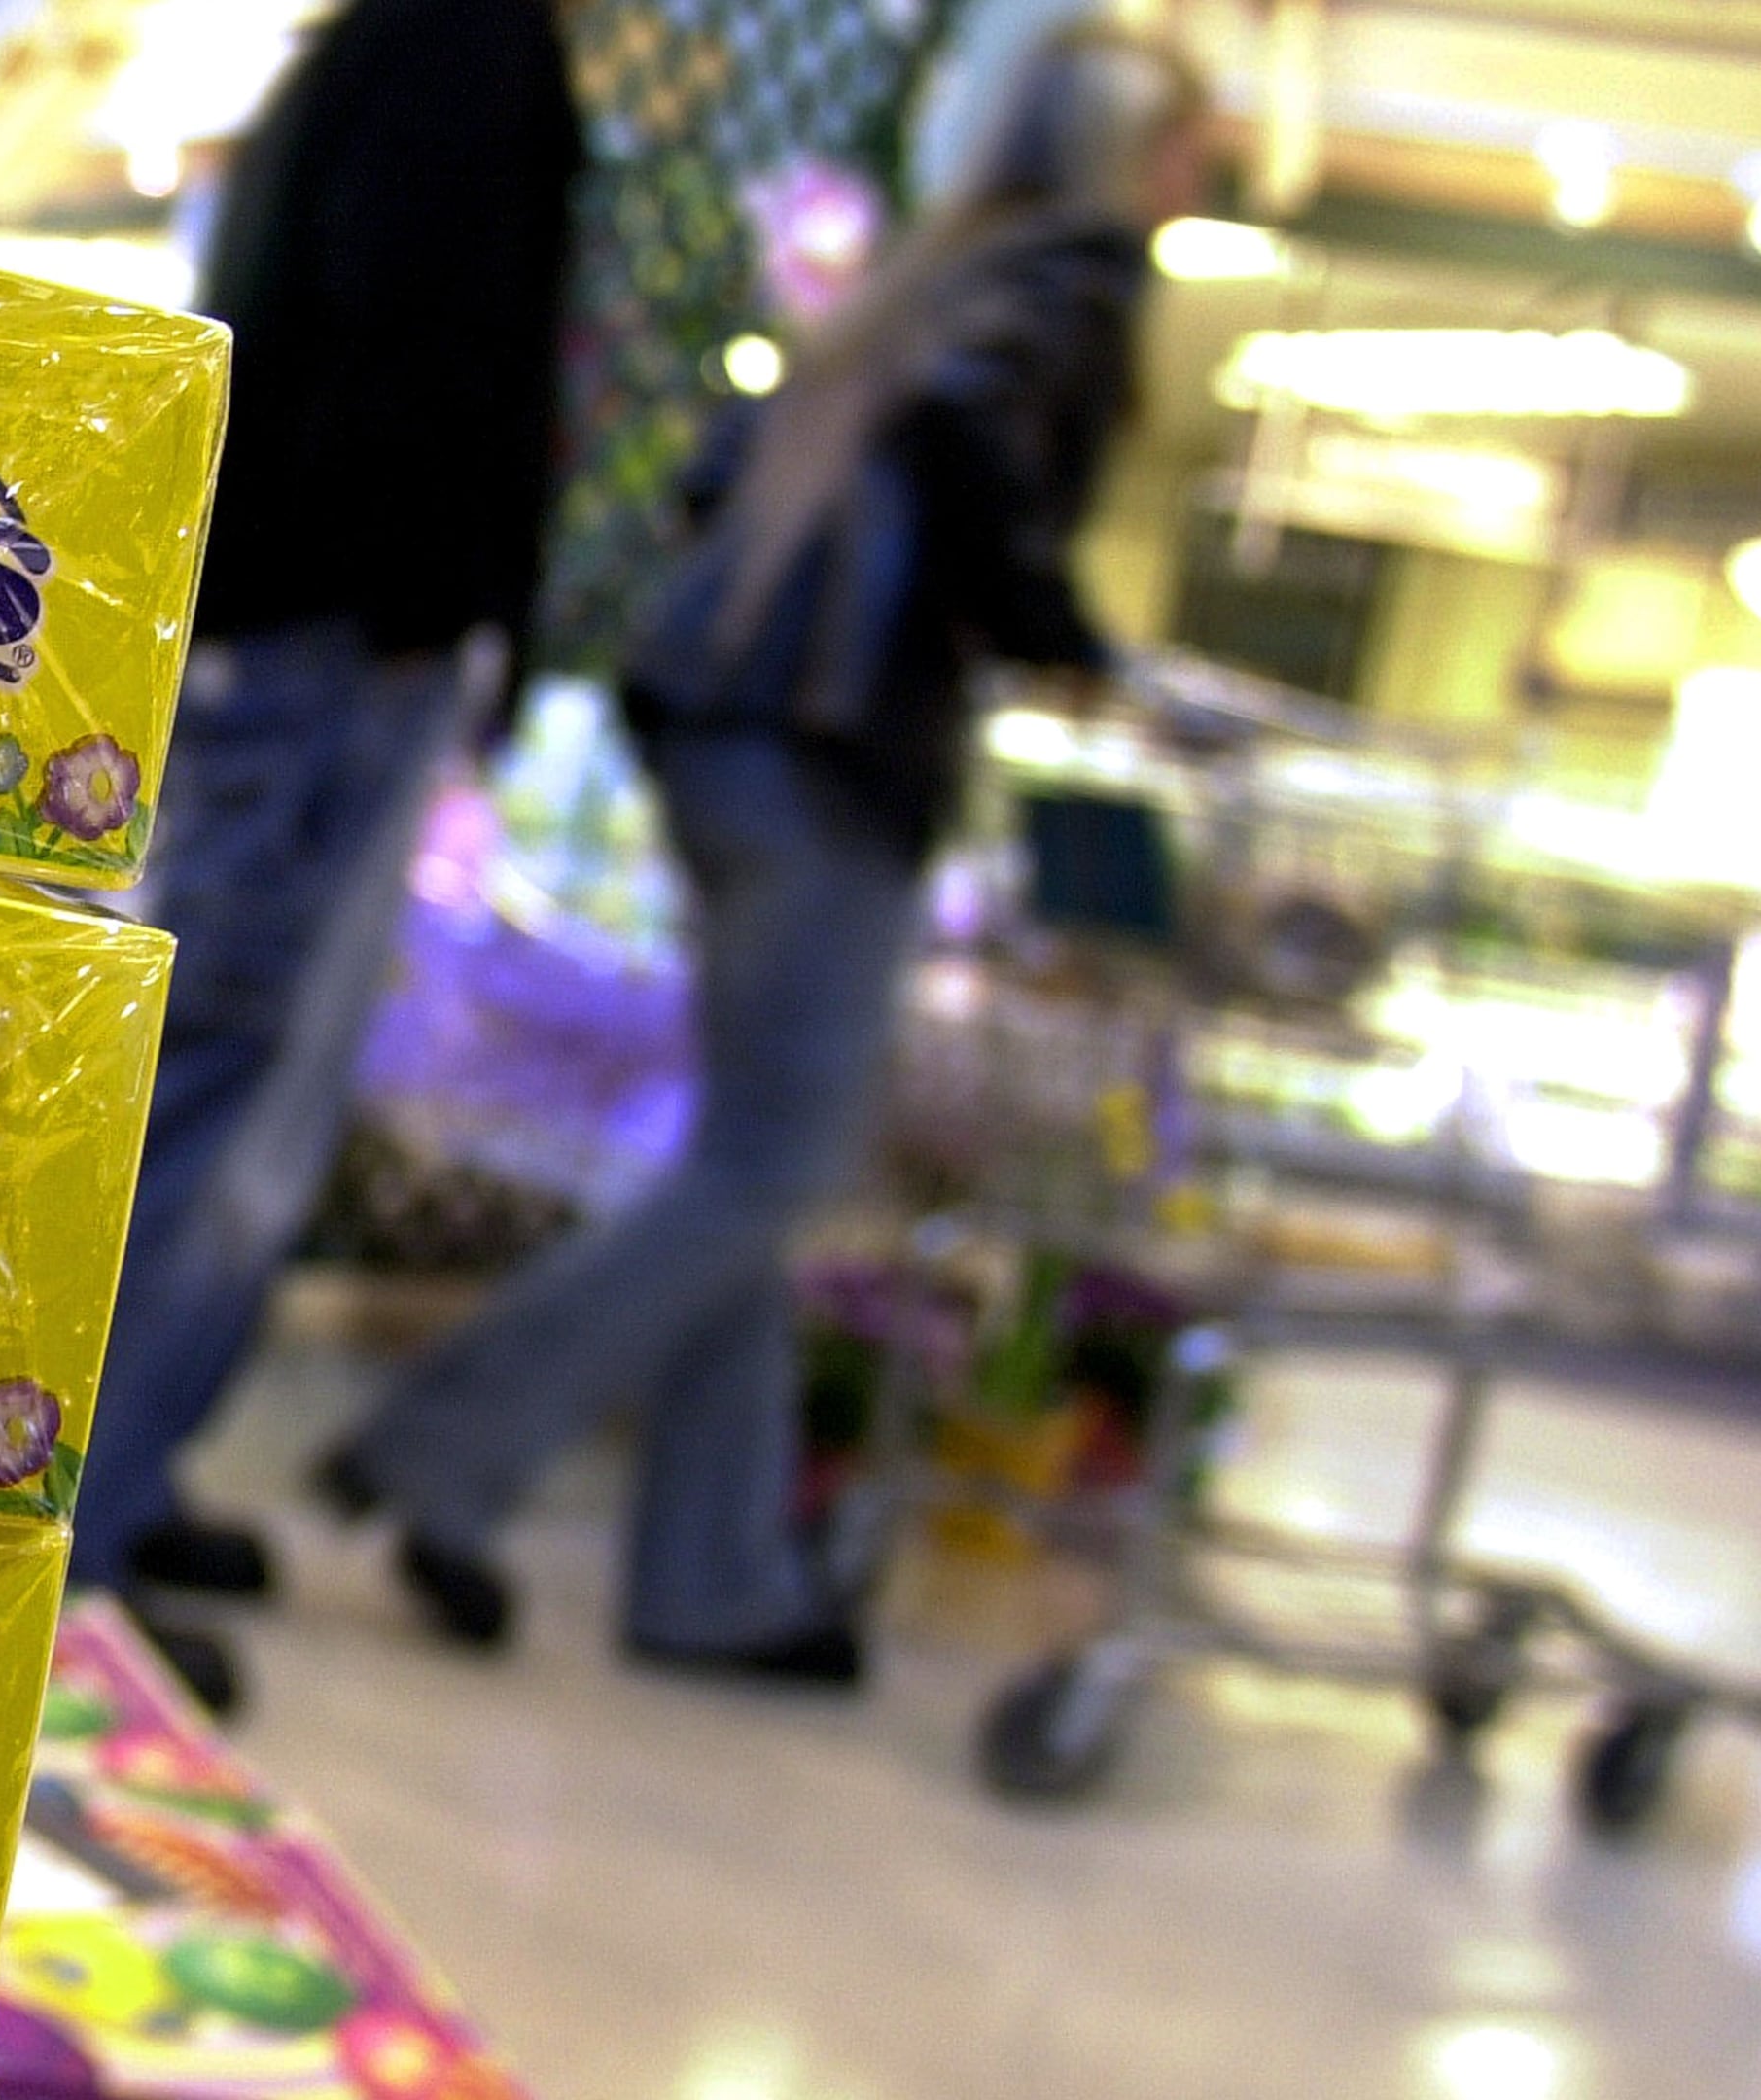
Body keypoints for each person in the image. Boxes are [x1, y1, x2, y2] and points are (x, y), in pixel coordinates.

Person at [315, 24, 1209, 1681]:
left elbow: (721, 477)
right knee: (776, 1164)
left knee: (743, 1163)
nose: (1196, 181)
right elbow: (971, 450)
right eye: (1188, 150)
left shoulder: (920, 278)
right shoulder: (1064, 285)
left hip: (719, 732)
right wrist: (1061, 637)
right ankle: (446, 1440)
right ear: (1132, 154)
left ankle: (711, 1581)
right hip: (832, 753)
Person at [68, 0, 582, 1716]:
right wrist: (433, 607)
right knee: (226, 1087)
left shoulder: (394, 40)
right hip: (338, 638)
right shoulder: (467, 42)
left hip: (305, 625)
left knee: (242, 1086)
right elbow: (421, 338)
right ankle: (76, 1535)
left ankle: (127, 1474)